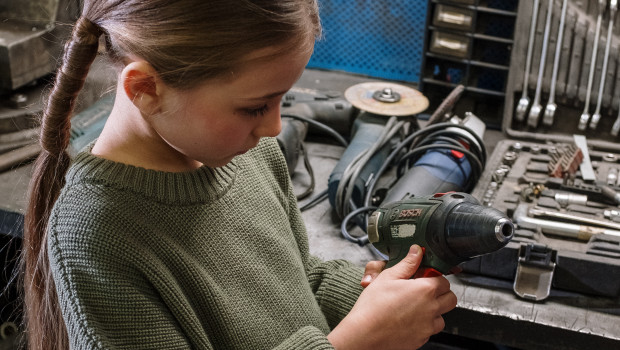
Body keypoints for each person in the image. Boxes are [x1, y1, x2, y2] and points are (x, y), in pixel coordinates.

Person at [22, 0, 457, 349]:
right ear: (146, 90)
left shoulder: (247, 153)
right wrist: (358, 341)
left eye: (282, 99)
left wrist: (374, 294)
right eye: (255, 107)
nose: (275, 128)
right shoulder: (95, 237)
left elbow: (296, 280)